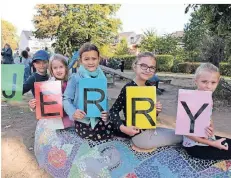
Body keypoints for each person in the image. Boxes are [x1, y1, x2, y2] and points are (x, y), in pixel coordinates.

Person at [109, 52, 183, 152]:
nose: (148, 70)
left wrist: (156, 111)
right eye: (143, 66)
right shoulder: (128, 88)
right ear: (135, 66)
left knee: (178, 132)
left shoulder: (149, 87)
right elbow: (113, 111)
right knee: (183, 137)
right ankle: (138, 145)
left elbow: (146, 117)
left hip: (151, 130)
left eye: (152, 67)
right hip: (141, 137)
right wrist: (123, 129)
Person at [63, 42, 114, 141]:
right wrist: (73, 112)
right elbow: (66, 99)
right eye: (86, 59)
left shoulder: (102, 77)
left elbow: (104, 99)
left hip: (100, 121)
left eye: (94, 59)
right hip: (83, 122)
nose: (90, 62)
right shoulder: (75, 78)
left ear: (99, 59)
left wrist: (106, 114)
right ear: (81, 61)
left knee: (103, 143)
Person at [183, 63, 231, 160]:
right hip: (194, 146)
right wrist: (213, 143)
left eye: (213, 82)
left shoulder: (208, 97)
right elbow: (185, 131)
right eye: (204, 81)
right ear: (196, 81)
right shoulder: (188, 100)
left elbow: (209, 116)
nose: (209, 86)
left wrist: (211, 128)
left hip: (207, 139)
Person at [29, 54, 74, 128]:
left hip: (69, 123)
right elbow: (43, 105)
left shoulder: (71, 84)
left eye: (61, 67)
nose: (58, 70)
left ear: (66, 68)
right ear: (51, 70)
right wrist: (33, 106)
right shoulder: (47, 86)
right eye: (55, 68)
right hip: (54, 124)